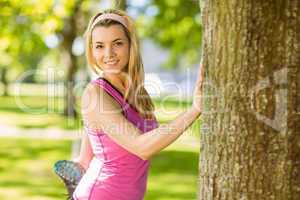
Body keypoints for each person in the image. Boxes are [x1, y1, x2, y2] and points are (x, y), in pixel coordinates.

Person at [72, 8, 204, 200]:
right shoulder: (95, 95)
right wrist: (195, 110)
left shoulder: (138, 93)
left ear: (130, 45)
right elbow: (142, 147)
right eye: (99, 46)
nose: (108, 53)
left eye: (117, 43)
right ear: (91, 50)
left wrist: (79, 166)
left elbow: (88, 154)